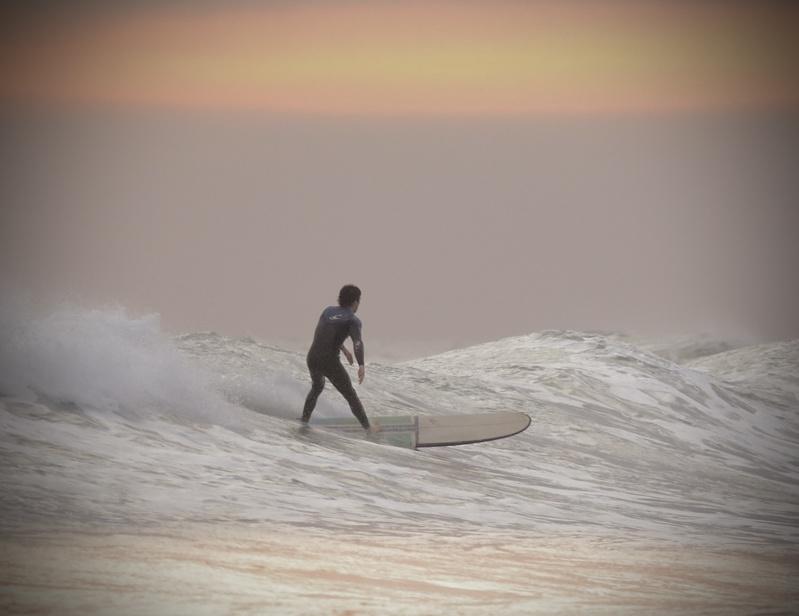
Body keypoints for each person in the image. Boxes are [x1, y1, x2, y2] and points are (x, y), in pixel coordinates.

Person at [301, 284, 376, 431]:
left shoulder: (327, 311)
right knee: (350, 395)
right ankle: (368, 428)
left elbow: (326, 335)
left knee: (317, 387)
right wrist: (361, 364)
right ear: (355, 302)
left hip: (312, 357)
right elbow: (358, 342)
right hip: (329, 362)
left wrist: (344, 350)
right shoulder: (353, 320)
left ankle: (304, 420)